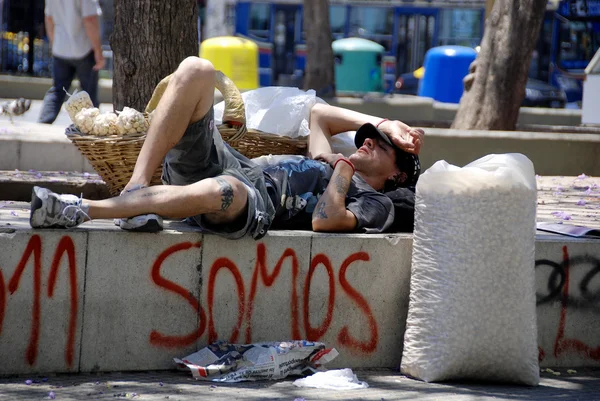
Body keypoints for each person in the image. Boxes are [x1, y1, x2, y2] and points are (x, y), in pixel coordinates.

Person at [29, 57, 424, 238]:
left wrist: (344, 168)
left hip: (258, 204)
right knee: (196, 70)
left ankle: (79, 210)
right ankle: (135, 189)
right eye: (368, 137)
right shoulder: (329, 160)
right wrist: (384, 124)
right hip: (238, 164)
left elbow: (325, 220)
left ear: (398, 174)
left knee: (225, 190)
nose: (368, 140)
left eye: (382, 144)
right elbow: (319, 115)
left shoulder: (377, 202)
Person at [38, 0, 105, 124]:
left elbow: (49, 19)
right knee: (89, 95)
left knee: (57, 91)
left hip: (60, 49)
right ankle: (92, 130)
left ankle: (42, 124)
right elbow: (90, 20)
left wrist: (55, 44)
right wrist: (98, 51)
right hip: (83, 49)